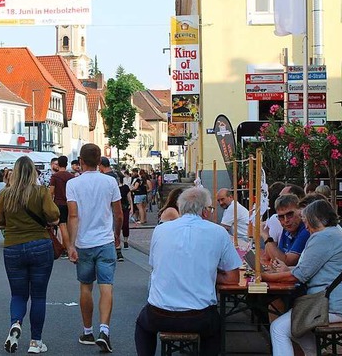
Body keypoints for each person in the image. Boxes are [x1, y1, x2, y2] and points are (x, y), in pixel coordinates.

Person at [134, 187, 241, 356]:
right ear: (205, 211)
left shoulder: (160, 230)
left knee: (142, 324)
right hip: (198, 316)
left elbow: (156, 266)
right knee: (216, 327)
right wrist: (207, 272)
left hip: (159, 314)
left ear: (180, 208)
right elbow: (233, 278)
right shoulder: (218, 232)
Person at [0, 156, 60, 354]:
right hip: (39, 244)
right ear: (33, 172)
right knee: (38, 296)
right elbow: (53, 214)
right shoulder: (40, 191)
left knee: (18, 294)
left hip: (13, 246)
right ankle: (35, 342)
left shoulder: (6, 194)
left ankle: (15, 323)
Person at [263, 200, 342, 356]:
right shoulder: (335, 233)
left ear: (314, 219)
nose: (305, 227)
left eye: (306, 222)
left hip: (328, 305)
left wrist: (266, 277)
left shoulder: (322, 237)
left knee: (278, 328)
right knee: (297, 329)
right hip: (331, 302)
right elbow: (309, 269)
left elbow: (298, 276)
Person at [66, 143, 123, 353]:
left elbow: (73, 215)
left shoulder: (73, 184)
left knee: (85, 286)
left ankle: (88, 331)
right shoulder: (110, 182)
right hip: (105, 240)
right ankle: (104, 330)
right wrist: (117, 235)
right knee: (106, 286)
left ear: (80, 161)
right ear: (100, 161)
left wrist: (71, 244)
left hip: (84, 243)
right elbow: (118, 213)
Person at [261, 194, 310, 267]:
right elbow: (269, 256)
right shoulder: (287, 228)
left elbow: (286, 261)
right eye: (281, 217)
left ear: (300, 212)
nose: (286, 220)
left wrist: (266, 236)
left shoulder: (306, 230)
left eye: (290, 214)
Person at [49, 156, 74, 259]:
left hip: (59, 203)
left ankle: (67, 248)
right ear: (67, 164)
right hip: (70, 203)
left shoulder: (55, 177)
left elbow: (51, 191)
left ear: (58, 164)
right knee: (70, 226)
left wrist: (50, 203)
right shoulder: (71, 176)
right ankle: (71, 247)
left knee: (62, 226)